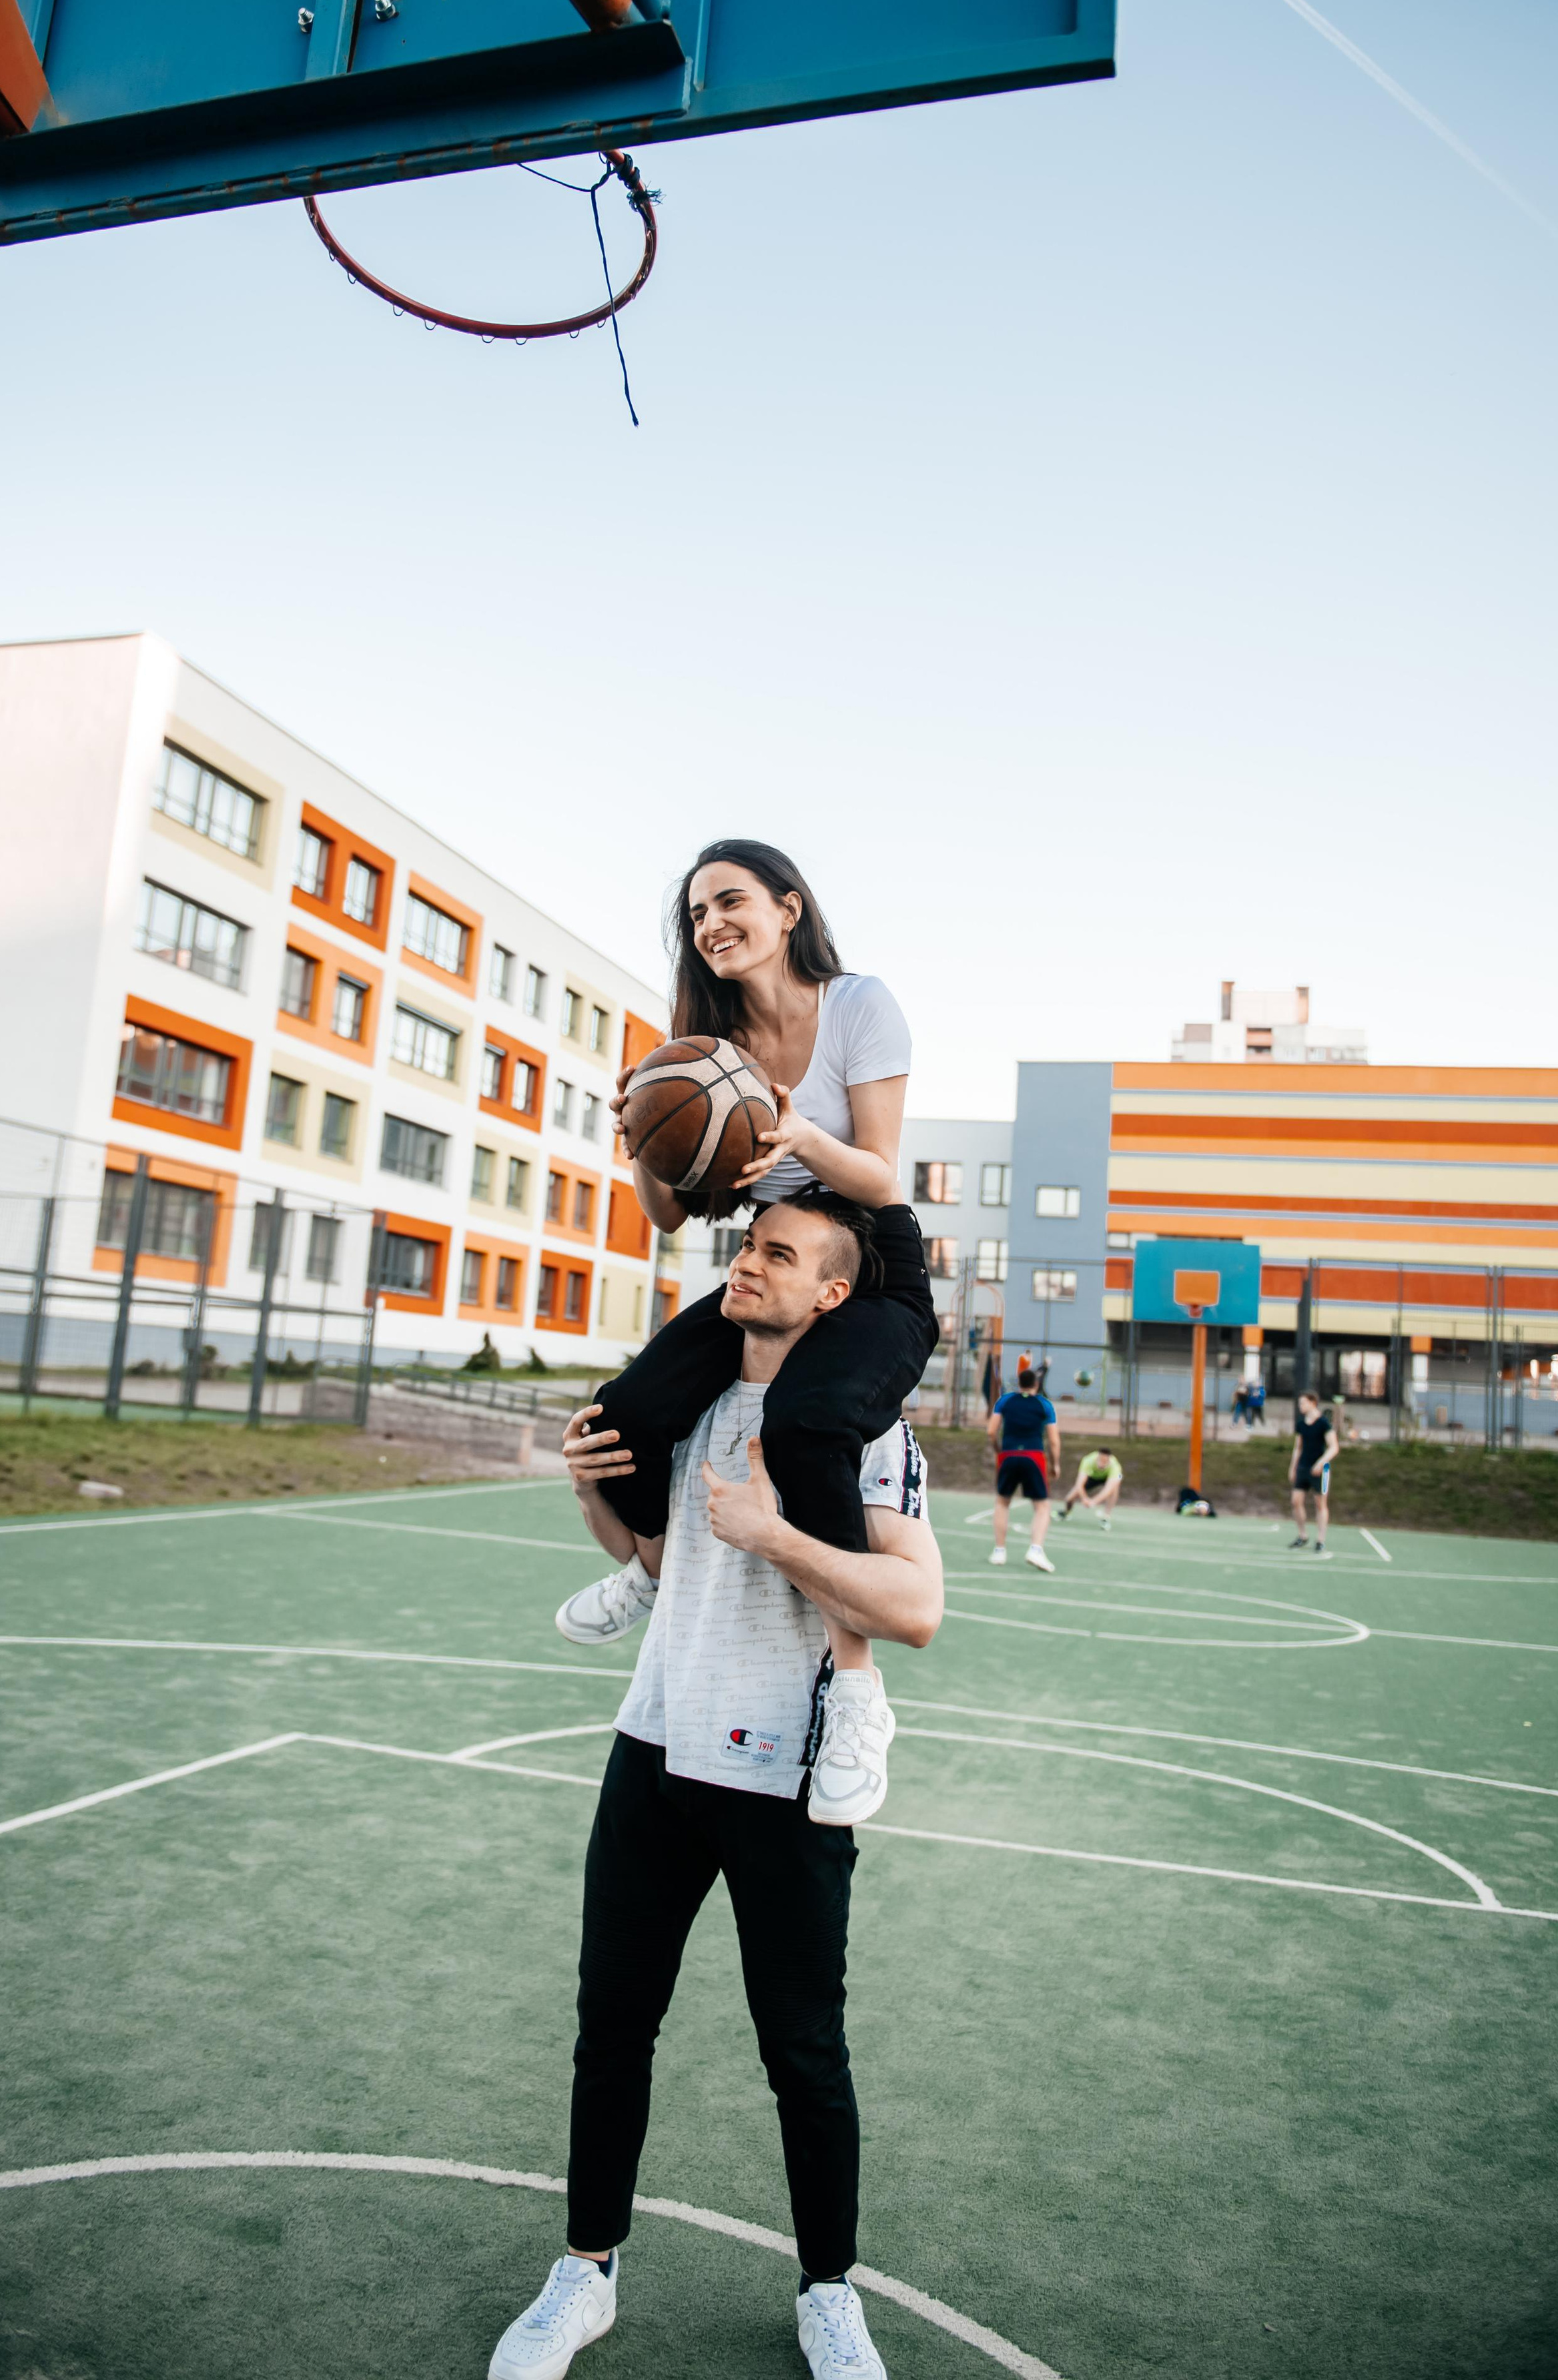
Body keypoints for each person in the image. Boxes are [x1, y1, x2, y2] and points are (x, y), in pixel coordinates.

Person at [488, 1188, 943, 2380]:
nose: (749, 1264)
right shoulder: (692, 1403)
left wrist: (777, 1534)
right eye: (748, 1245)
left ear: (832, 1293)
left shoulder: (868, 1430)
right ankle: (585, 2272)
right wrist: (591, 1486)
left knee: (803, 2051)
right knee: (611, 2029)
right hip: (653, 1750)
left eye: (779, 1254)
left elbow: (916, 1610)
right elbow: (653, 1556)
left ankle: (831, 2294)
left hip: (786, 1776)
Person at [553, 842, 937, 1829]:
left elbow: (885, 1177)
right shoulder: (700, 1041)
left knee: (808, 1424)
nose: (710, 923)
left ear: (787, 908)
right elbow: (674, 1217)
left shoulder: (859, 1005)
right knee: (626, 1416)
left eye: (730, 901)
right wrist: (641, 1135)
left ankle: (854, 1690)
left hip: (868, 1265)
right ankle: (648, 1565)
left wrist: (799, 1135)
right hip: (770, 1260)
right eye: (695, 913)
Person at [986, 1366, 1060, 1570]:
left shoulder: (1005, 1401)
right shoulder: (1045, 1404)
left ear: (1018, 1383)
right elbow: (1053, 1441)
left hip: (1009, 1455)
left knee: (1002, 1503)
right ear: (1037, 1384)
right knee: (1042, 1507)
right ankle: (1036, 1550)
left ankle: (999, 1552)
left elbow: (992, 1431)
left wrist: (998, 1451)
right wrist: (1055, 1464)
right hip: (1034, 1457)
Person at [1288, 1389, 1339, 1553]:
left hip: (1321, 1470)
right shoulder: (1301, 1424)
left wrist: (1321, 1463)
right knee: (1295, 1501)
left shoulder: (1324, 1423)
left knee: (1320, 1504)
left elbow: (1334, 1448)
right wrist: (1293, 1467)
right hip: (1303, 1467)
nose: (1300, 1406)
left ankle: (1321, 1540)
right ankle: (1302, 1536)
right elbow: (1298, 1448)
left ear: (1313, 1403)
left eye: (1303, 1403)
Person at [1057, 1446, 1122, 1525]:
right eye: (1101, 1460)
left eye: (1105, 1462)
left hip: (1107, 1478)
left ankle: (1106, 1516)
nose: (1102, 1464)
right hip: (1092, 1477)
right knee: (1069, 1499)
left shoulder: (1115, 1466)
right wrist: (1084, 1499)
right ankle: (1067, 1513)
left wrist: (1093, 1502)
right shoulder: (1088, 1460)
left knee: (1115, 1487)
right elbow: (1079, 1484)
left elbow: (1108, 1490)